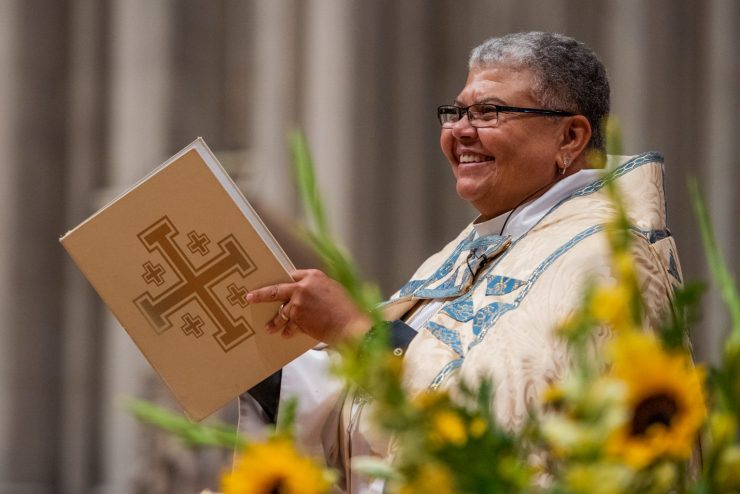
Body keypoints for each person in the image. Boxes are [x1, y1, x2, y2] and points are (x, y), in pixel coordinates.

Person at [238, 31, 683, 493]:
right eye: (456, 112)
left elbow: (507, 437)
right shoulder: (472, 247)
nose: (460, 131)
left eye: (489, 112)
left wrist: (354, 333)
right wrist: (270, 370)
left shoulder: (609, 258)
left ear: (570, 136)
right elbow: (383, 416)